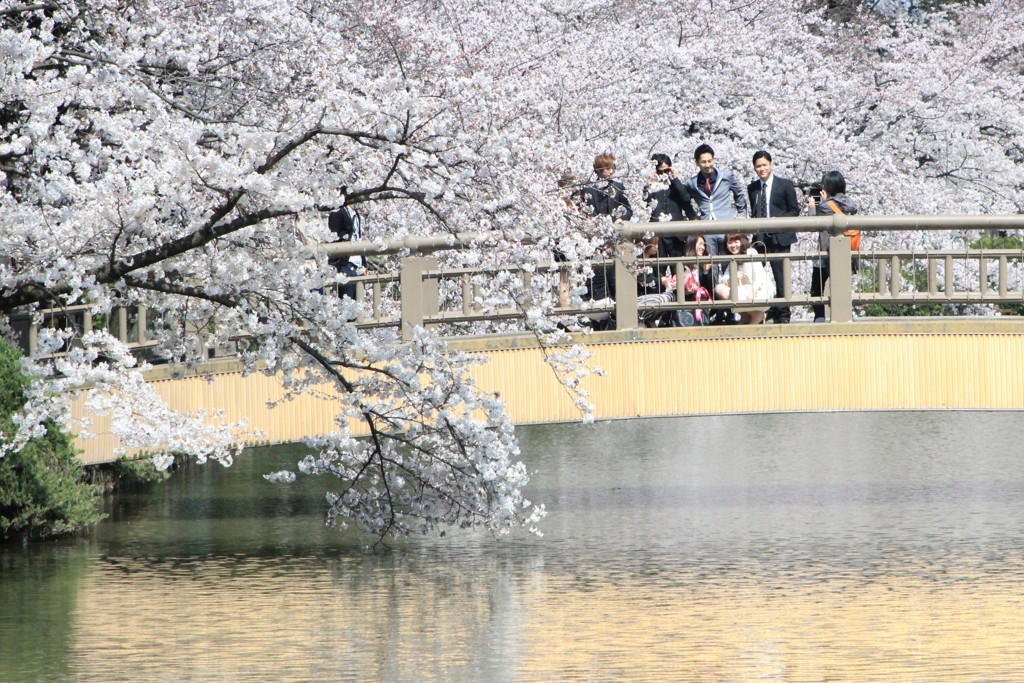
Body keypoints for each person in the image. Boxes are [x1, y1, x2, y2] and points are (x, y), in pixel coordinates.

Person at [747, 150, 801, 324]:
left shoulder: (784, 185)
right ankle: (763, 310)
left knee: (781, 276)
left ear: (771, 165)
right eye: (758, 166)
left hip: (780, 237)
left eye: (764, 165)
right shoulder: (752, 188)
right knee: (757, 274)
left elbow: (794, 210)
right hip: (760, 237)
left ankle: (783, 314)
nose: (762, 169)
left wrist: (781, 220)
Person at [807, 170, 859, 322]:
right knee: (842, 285)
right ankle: (846, 315)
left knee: (817, 287)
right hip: (846, 251)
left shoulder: (825, 206)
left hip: (826, 251)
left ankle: (820, 317)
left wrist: (813, 206)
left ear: (828, 187)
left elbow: (812, 224)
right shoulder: (850, 203)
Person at [683, 143, 747, 255]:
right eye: (703, 162)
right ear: (697, 162)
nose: (707, 165)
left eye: (710, 161)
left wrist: (742, 213)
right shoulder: (692, 183)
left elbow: (739, 194)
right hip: (706, 228)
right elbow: (684, 200)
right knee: (711, 262)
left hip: (727, 226)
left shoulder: (726, 176)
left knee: (728, 260)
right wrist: (692, 215)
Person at [643, 153, 697, 257]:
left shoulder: (676, 186)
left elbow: (686, 198)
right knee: (658, 268)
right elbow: (646, 200)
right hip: (657, 235)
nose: (663, 174)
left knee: (678, 268)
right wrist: (651, 183)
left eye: (666, 170)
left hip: (677, 234)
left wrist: (675, 178)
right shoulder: (651, 186)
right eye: (660, 171)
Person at [714, 233, 769, 325]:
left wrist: (752, 291)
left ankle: (756, 316)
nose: (733, 246)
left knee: (739, 295)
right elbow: (725, 280)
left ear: (742, 242)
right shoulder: (732, 258)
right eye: (730, 243)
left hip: (757, 290)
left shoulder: (751, 252)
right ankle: (747, 315)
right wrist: (733, 278)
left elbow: (760, 276)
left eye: (736, 242)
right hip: (742, 292)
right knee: (720, 288)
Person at [327, 199, 364, 300]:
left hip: (358, 264)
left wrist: (364, 264)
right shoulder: (338, 212)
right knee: (347, 301)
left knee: (358, 303)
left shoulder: (355, 214)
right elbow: (333, 236)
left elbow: (358, 237)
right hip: (345, 263)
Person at [582, 153, 633, 222]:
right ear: (598, 169)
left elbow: (628, 209)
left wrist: (621, 218)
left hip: (614, 227)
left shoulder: (618, 187)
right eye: (608, 168)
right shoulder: (587, 188)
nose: (611, 171)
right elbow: (579, 208)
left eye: (613, 168)